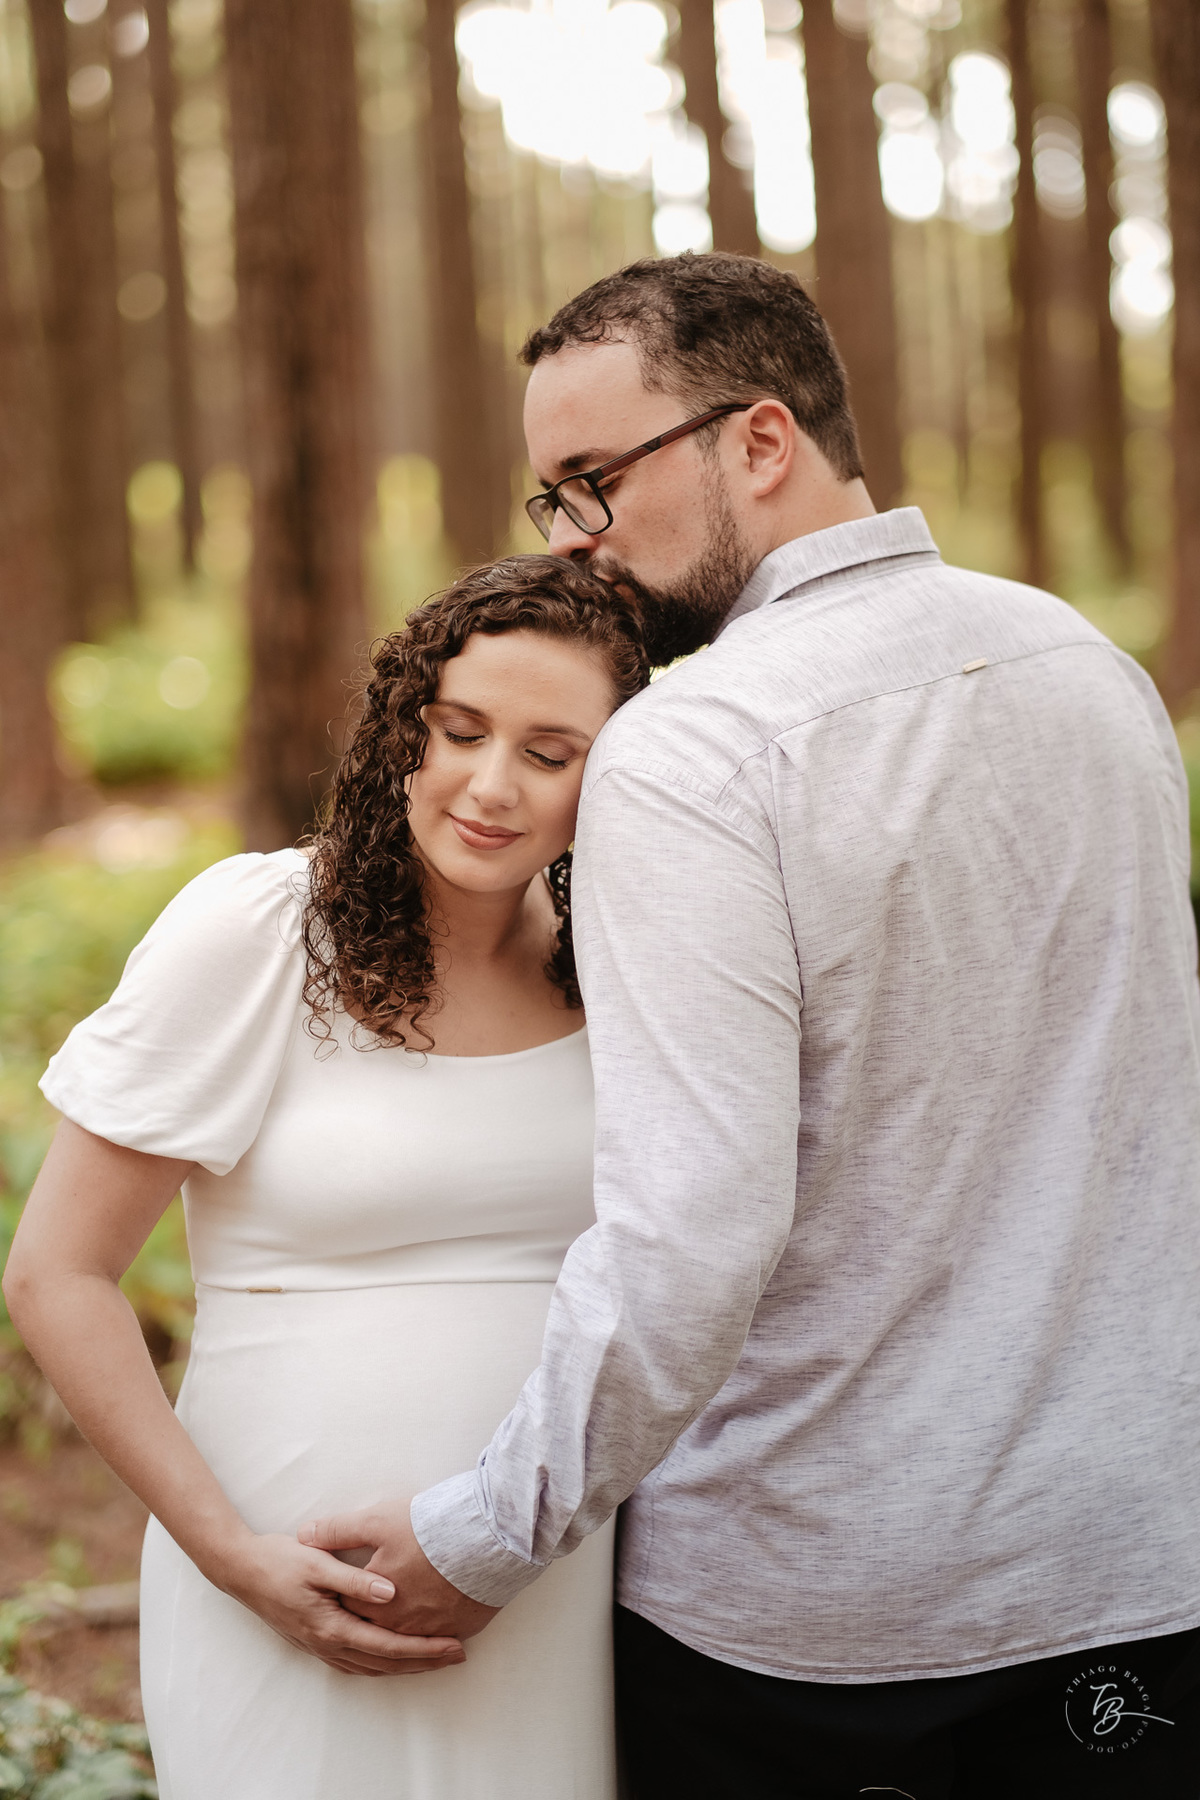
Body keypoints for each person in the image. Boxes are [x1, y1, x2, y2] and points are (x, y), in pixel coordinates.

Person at [305, 253, 1200, 1799]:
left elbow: (691, 1233)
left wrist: (486, 1536)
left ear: (761, 440)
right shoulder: (1093, 671)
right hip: (1135, 1580)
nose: (575, 536)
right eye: (553, 498)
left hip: (812, 1629)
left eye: (594, 481)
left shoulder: (693, 750)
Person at [3, 557, 648, 1800]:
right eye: (461, 730)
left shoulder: (614, 965)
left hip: (552, 1581)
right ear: (406, 727)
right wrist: (230, 1556)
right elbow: (57, 1274)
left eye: (550, 753)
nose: (491, 786)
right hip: (279, 1573)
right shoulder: (262, 930)